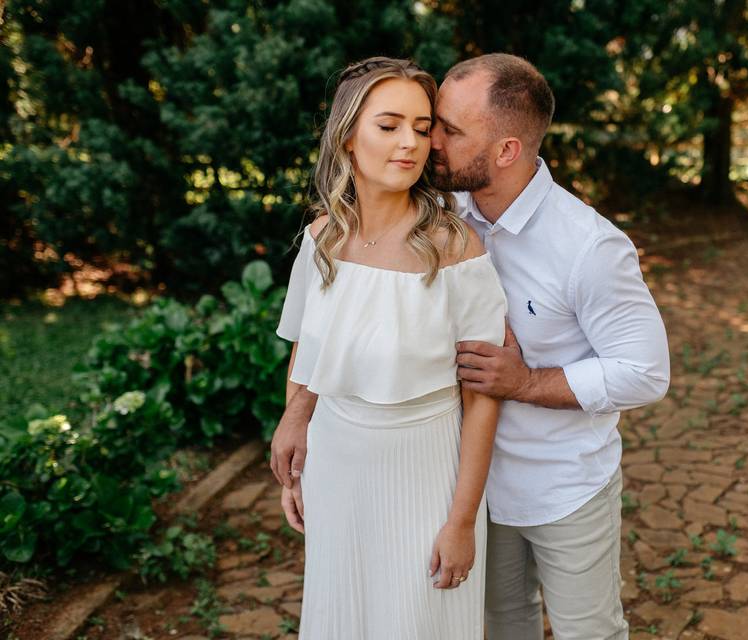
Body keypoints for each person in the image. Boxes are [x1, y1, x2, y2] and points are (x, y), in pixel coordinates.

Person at [430, 54, 671, 640]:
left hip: (565, 486)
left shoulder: (588, 247)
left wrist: (526, 382)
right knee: (503, 629)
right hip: (473, 488)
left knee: (588, 633)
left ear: (507, 151)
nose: (430, 139)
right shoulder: (441, 217)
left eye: (451, 130)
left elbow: (646, 372)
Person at [270, 56, 507, 639]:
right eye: (389, 125)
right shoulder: (320, 238)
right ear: (348, 136)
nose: (410, 143)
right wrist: (294, 422)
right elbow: (307, 343)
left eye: (422, 128)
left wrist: (462, 522)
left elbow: (482, 397)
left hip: (424, 467)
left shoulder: (455, 246)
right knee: (342, 616)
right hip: (336, 460)